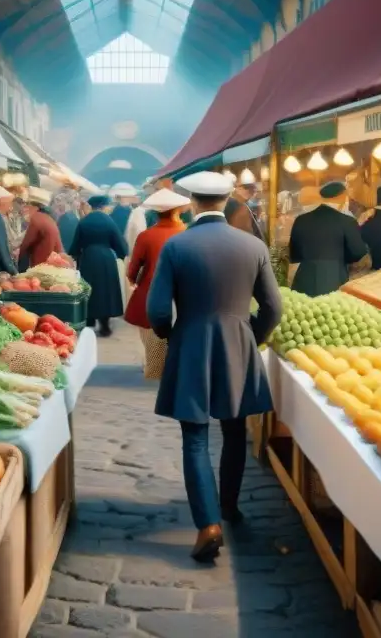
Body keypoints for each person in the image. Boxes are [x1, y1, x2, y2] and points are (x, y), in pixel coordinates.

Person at [146, 171, 282, 562]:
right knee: (235, 428)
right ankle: (229, 505)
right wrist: (249, 336)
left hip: (191, 342)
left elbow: (157, 310)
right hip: (238, 341)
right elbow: (273, 308)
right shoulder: (252, 246)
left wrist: (173, 334)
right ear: (227, 201)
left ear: (192, 202)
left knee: (195, 437)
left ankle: (208, 525)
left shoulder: (177, 245)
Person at [124, 188, 190, 380]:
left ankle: (155, 370)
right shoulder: (187, 233)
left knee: (152, 337)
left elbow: (133, 270)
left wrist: (133, 281)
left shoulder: (146, 236)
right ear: (178, 211)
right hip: (183, 294)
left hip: (150, 293)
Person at [289, 181, 367, 296]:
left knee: (303, 311)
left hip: (304, 277)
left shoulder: (301, 220)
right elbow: (357, 253)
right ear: (343, 196)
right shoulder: (347, 221)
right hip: (335, 277)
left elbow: (294, 254)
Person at [69, 195, 128, 337]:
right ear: (103, 206)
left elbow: (75, 246)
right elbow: (120, 245)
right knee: (106, 290)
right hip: (106, 259)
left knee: (89, 290)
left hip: (88, 258)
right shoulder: (109, 221)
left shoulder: (84, 221)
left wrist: (76, 257)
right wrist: (120, 254)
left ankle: (88, 322)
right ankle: (105, 325)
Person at [18, 187, 63, 268]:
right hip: (53, 263)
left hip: (42, 264)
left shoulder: (36, 219)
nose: (26, 208)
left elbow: (25, 244)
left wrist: (13, 259)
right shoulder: (48, 218)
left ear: (35, 207)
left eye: (28, 205)